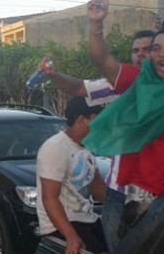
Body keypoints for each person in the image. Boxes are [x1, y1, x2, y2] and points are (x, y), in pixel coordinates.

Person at [84, 0, 164, 251]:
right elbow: (102, 59)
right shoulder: (140, 82)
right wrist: (96, 24)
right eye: (157, 48)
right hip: (122, 198)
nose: (162, 53)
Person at [40, 28, 153, 253]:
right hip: (118, 195)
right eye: (135, 50)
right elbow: (79, 87)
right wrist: (53, 74)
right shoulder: (117, 86)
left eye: (147, 49)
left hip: (157, 194)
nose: (140, 55)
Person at [37, 96, 107, 254]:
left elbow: (97, 186)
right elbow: (49, 198)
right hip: (64, 223)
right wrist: (71, 237)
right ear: (82, 119)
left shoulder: (85, 147)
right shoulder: (55, 148)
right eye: (96, 121)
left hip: (88, 219)